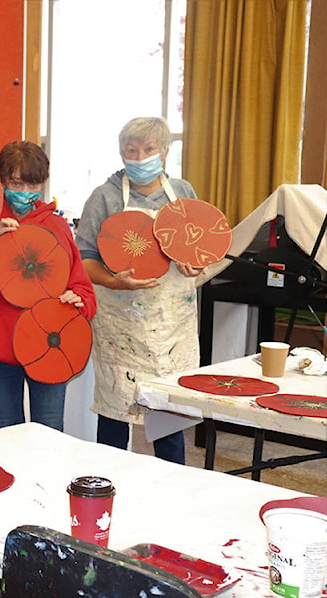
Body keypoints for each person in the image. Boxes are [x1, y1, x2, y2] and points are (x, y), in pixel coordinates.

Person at [76, 116, 202, 464]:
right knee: (116, 415)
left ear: (164, 152)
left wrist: (195, 266)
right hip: (121, 328)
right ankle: (107, 485)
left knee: (168, 419)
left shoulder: (184, 193)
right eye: (132, 150)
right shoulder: (104, 197)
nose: (140, 156)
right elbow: (84, 259)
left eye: (148, 149)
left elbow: (199, 249)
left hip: (172, 328)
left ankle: (171, 483)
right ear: (121, 153)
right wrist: (114, 280)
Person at [0, 141, 96, 431]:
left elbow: (84, 288)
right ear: (0, 180)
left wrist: (78, 301)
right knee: (5, 430)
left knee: (48, 432)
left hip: (49, 342)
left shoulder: (56, 226)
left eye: (33, 184)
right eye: (16, 183)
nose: (25, 192)